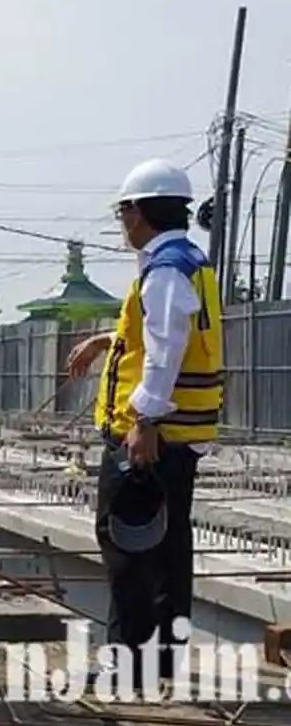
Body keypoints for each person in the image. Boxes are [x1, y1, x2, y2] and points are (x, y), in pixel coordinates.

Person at [68, 158, 221, 685]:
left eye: (123, 213)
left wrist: (145, 419)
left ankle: (126, 667)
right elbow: (160, 335)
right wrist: (108, 339)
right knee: (169, 550)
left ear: (137, 213)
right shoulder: (190, 262)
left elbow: (167, 346)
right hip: (182, 436)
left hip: (152, 438)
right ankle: (160, 664)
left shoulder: (163, 270)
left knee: (128, 549)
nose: (122, 224)